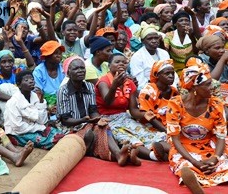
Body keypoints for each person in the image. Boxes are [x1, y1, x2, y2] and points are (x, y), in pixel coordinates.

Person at [57, 56, 137, 166]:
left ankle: (119, 155)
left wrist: (97, 119)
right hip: (71, 127)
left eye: (82, 68)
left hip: (88, 123)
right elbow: (65, 120)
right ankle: (119, 155)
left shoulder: (89, 87)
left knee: (103, 126)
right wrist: (84, 120)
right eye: (76, 69)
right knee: (92, 133)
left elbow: (93, 110)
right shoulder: (63, 91)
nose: (80, 71)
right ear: (68, 72)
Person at [167, 57, 228, 193]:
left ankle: (207, 170)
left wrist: (214, 158)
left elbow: (221, 137)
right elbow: (175, 140)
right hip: (184, 145)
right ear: (194, 87)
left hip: (210, 143)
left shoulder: (216, 104)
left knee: (222, 162)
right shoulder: (175, 104)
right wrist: (195, 162)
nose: (211, 87)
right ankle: (193, 179)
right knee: (184, 164)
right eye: (207, 84)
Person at [96, 53, 168, 161]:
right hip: (108, 119)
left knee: (147, 133)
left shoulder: (129, 83)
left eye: (124, 62)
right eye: (117, 62)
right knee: (129, 139)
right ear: (109, 65)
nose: (121, 64)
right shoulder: (104, 81)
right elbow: (107, 102)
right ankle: (153, 156)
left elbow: (133, 110)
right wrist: (114, 85)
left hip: (125, 117)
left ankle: (170, 153)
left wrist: (144, 114)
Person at [5, 70, 64, 149]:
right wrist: (39, 127)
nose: (31, 81)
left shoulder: (36, 96)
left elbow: (43, 121)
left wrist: (41, 100)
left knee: (60, 135)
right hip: (19, 133)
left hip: (36, 128)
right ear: (19, 85)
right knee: (51, 140)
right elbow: (18, 127)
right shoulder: (13, 102)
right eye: (26, 80)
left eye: (32, 79)